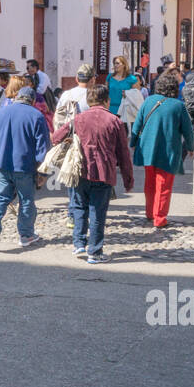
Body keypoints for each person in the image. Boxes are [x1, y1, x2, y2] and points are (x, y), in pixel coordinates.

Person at [51, 84, 129, 263]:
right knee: (97, 211)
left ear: (88, 101)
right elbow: (123, 154)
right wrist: (128, 178)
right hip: (104, 172)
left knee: (79, 207)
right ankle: (94, 252)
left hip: (80, 170)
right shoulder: (115, 121)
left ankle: (78, 243)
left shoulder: (78, 119)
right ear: (107, 101)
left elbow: (56, 138)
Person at [0, 86, 51, 251]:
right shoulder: (37, 116)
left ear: (17, 97)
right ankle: (26, 236)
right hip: (25, 167)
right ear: (32, 101)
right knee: (26, 200)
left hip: (1, 164)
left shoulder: (1, 113)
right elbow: (43, 147)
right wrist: (42, 171)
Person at [131, 71, 194, 230]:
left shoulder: (148, 101)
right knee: (164, 185)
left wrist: (133, 143)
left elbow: (137, 124)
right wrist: (190, 147)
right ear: (175, 88)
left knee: (150, 183)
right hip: (168, 150)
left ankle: (149, 212)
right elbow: (188, 130)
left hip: (148, 148)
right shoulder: (178, 106)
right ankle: (159, 218)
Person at [54, 63, 95, 128]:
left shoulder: (66, 94)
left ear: (76, 79)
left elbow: (57, 115)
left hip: (68, 135)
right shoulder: (94, 96)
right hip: (86, 134)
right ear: (92, 80)